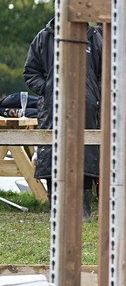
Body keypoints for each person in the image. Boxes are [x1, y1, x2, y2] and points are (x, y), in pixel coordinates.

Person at [23, 18, 103, 218]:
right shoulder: (44, 37)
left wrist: (96, 95)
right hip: (53, 108)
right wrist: (48, 88)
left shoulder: (94, 38)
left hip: (87, 107)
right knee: (52, 154)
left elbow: (106, 72)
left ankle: (84, 210)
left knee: (87, 154)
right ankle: (56, 210)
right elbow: (31, 72)